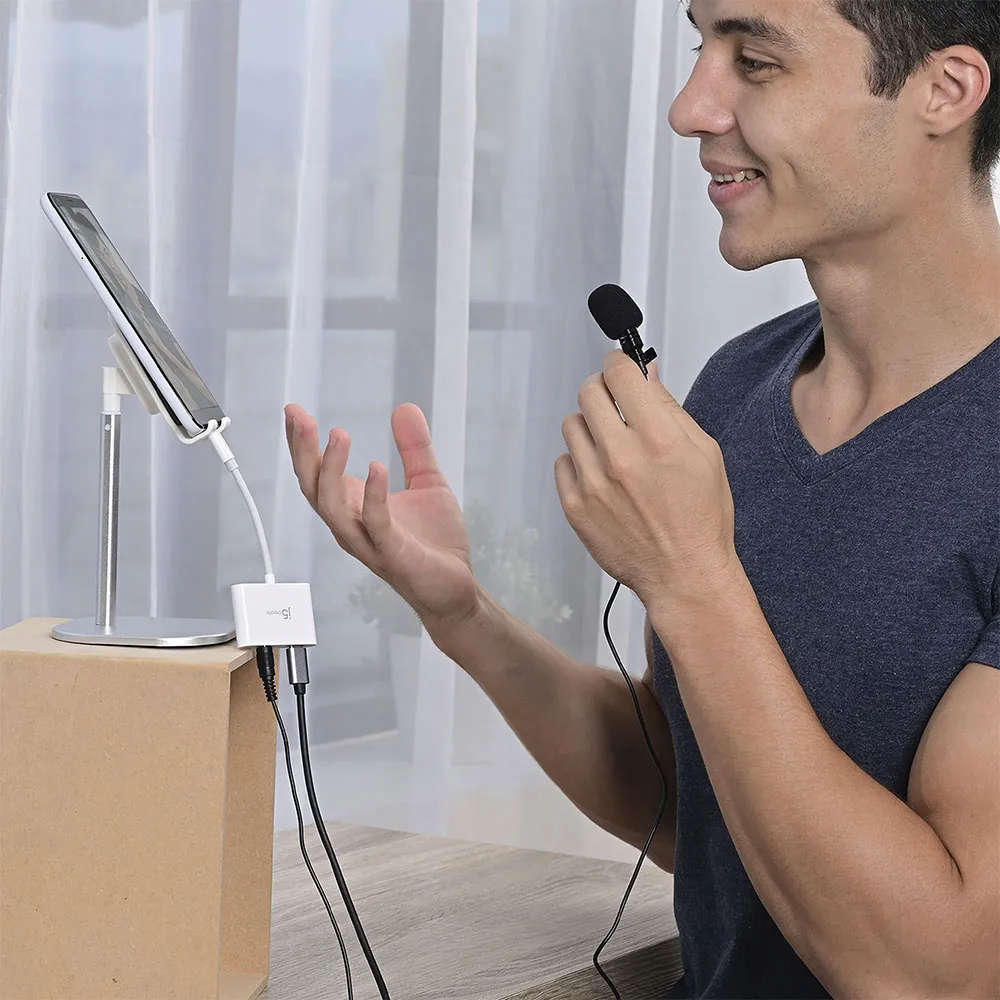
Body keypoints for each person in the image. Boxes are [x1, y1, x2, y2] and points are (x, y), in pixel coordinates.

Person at [284, 0, 1000, 995]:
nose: (689, 107)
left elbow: (939, 972)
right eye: (701, 50)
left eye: (755, 60)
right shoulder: (739, 387)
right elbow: (701, 809)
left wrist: (692, 578)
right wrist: (466, 617)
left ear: (945, 91)